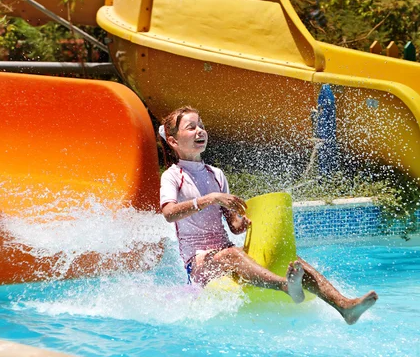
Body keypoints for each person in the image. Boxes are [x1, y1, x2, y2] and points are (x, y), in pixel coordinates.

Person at [158, 106, 378, 325]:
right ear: (173, 141)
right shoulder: (172, 176)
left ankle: (344, 306)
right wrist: (211, 199)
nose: (200, 131)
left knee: (289, 256)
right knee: (232, 253)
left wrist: (242, 222)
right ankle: (284, 285)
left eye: (202, 126)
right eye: (191, 127)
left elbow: (233, 225)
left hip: (223, 253)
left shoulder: (216, 175)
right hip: (197, 264)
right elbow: (169, 213)